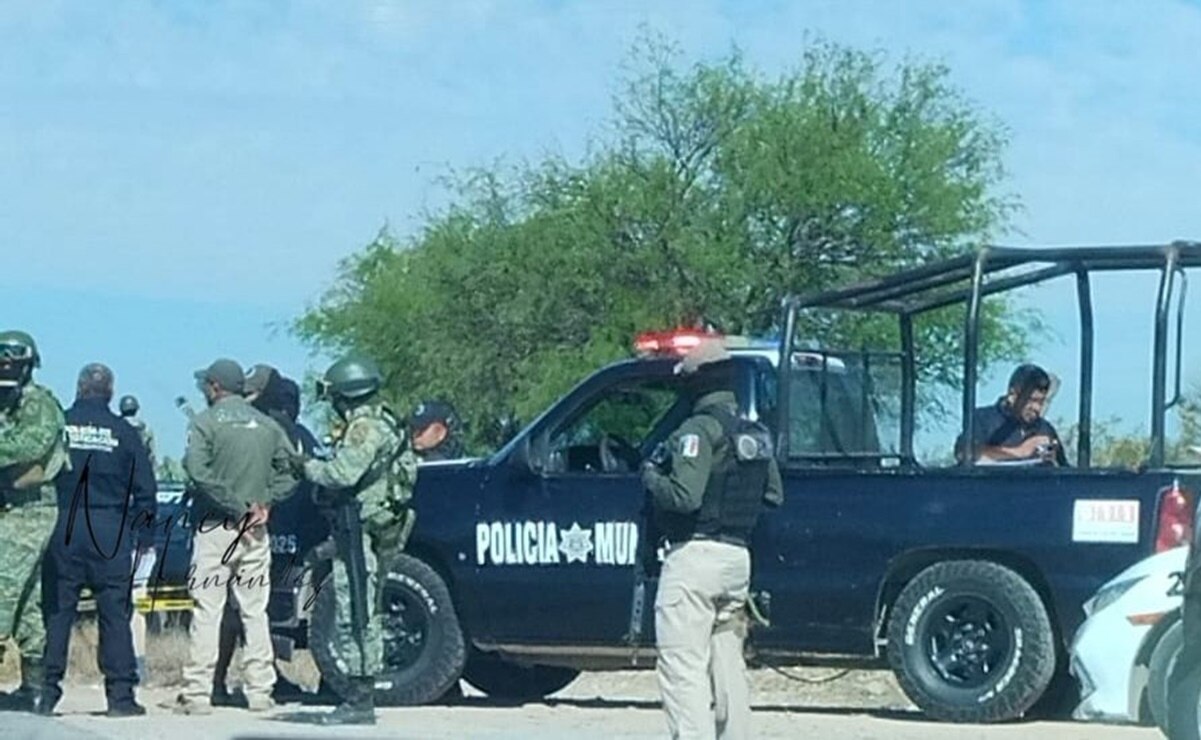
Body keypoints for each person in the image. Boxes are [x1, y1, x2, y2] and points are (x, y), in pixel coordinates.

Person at [641, 338, 783, 740]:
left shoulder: (697, 431)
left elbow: (685, 498)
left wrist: (652, 478)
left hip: (694, 560)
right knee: (728, 664)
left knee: (682, 667)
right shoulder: (754, 433)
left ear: (696, 384)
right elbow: (774, 495)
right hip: (737, 561)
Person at [166, 359, 299, 715]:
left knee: (208, 609)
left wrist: (236, 505)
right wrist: (264, 503)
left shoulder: (205, 423)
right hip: (256, 530)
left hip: (216, 528)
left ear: (214, 387)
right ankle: (259, 691)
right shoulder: (268, 426)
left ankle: (197, 693)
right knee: (255, 611)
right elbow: (292, 471)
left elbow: (197, 471)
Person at [296, 355, 417, 725]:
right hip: (380, 525)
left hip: (359, 529)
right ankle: (360, 691)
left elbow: (342, 474)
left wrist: (305, 467)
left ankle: (360, 697)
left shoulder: (364, 427)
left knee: (356, 608)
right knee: (367, 605)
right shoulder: (386, 420)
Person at [41, 363, 156, 717]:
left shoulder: (59, 426)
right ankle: (120, 697)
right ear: (110, 392)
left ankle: (44, 692)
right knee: (114, 614)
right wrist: (145, 538)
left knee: (58, 612)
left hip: (65, 524)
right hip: (110, 528)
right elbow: (146, 491)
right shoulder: (124, 432)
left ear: (78, 388)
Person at [0, 330, 69, 713]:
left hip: (31, 509)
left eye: (13, 358)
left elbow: (32, 446)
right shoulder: (5, 402)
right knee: (25, 602)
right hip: (10, 507)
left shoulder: (39, 403)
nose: (5, 365)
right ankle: (34, 688)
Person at [958, 363, 1068, 466]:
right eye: (1031, 400)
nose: (1037, 408)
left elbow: (1065, 472)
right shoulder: (982, 419)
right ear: (1012, 394)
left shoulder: (1045, 429)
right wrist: (1022, 451)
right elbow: (965, 454)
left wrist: (1053, 461)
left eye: (1041, 402)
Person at [117, 395, 156, 469]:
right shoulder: (145, 428)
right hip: (140, 469)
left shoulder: (115, 427)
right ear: (136, 409)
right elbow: (151, 455)